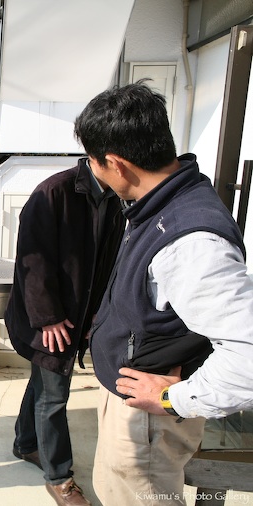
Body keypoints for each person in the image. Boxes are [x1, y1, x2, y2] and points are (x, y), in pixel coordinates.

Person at [76, 83, 253, 505]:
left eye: (93, 162)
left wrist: (175, 399)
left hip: (149, 423)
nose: (92, 171)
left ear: (116, 164)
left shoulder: (191, 242)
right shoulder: (163, 199)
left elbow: (248, 354)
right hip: (137, 403)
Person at [4, 151, 125, 504]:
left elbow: (110, 262)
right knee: (54, 395)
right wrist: (48, 318)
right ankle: (59, 477)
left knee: (45, 383)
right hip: (49, 320)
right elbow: (32, 261)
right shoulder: (54, 192)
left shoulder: (116, 196)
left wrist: (98, 314)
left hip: (79, 315)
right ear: (101, 155)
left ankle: (27, 443)